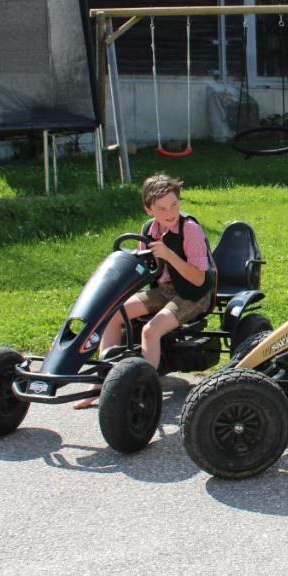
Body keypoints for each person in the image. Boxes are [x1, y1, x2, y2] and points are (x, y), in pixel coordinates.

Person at [75, 174, 215, 409]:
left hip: (193, 294)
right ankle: (101, 381)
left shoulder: (190, 229)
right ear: (149, 210)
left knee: (151, 330)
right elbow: (147, 271)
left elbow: (199, 277)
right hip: (164, 291)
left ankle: (146, 391)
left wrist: (169, 255)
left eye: (174, 204)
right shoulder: (149, 229)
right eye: (161, 208)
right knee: (112, 314)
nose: (170, 212)